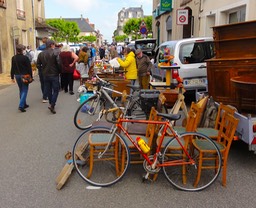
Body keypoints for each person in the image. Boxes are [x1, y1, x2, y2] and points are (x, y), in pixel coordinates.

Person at [37, 40, 60, 114]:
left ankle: (51, 103)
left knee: (49, 90)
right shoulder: (55, 52)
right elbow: (59, 63)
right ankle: (52, 104)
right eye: (54, 44)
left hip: (46, 74)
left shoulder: (41, 54)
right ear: (51, 45)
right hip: (54, 74)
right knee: (56, 90)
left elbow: (38, 65)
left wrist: (42, 70)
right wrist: (59, 71)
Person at [10, 44, 33, 112]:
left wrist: (12, 77)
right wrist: (31, 76)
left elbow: (12, 68)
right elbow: (29, 68)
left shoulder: (13, 58)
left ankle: (24, 103)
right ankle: (21, 105)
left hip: (17, 75)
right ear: (22, 50)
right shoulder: (25, 58)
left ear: (16, 50)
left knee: (21, 89)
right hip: (25, 75)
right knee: (25, 90)